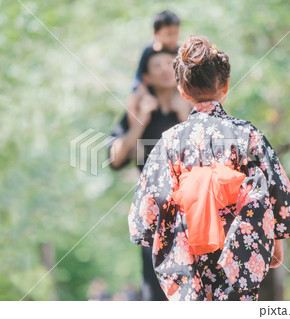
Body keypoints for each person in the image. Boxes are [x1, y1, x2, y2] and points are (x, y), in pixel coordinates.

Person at [128, 35, 290, 301]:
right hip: (240, 257)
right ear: (225, 85)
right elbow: (274, 197)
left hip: (187, 263)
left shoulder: (170, 141)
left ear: (182, 90)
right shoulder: (247, 135)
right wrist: (274, 242)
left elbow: (146, 216)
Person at [108, 47, 191, 300]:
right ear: (145, 76)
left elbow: (215, 151)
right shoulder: (138, 110)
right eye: (157, 66)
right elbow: (115, 158)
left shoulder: (195, 105)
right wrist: (141, 117)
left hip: (196, 207)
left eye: (170, 63)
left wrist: (185, 115)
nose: (166, 69)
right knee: (156, 292)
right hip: (155, 215)